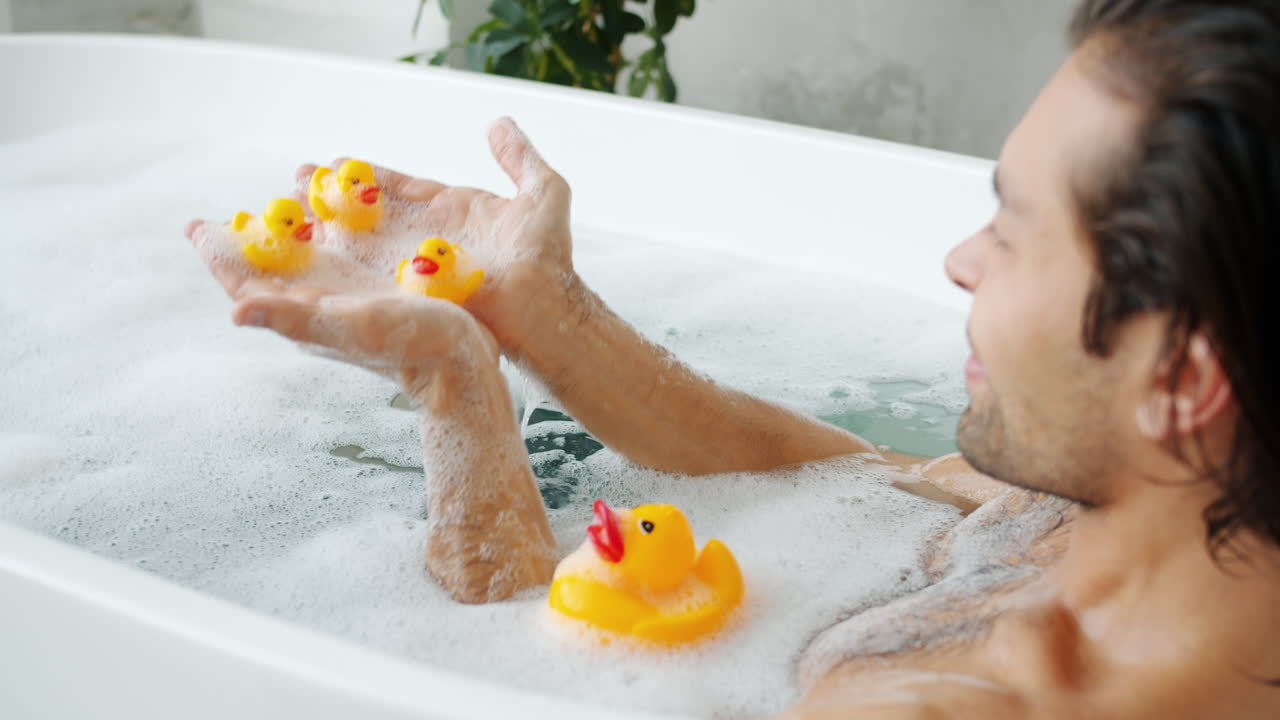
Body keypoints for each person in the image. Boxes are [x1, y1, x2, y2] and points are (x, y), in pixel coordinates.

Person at [185, 0, 1280, 715]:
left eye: (1012, 226)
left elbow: (494, 686)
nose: (956, 259)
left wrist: (453, 388)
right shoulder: (1123, 501)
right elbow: (855, 481)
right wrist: (544, 312)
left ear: (1179, 379)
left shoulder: (958, 705)